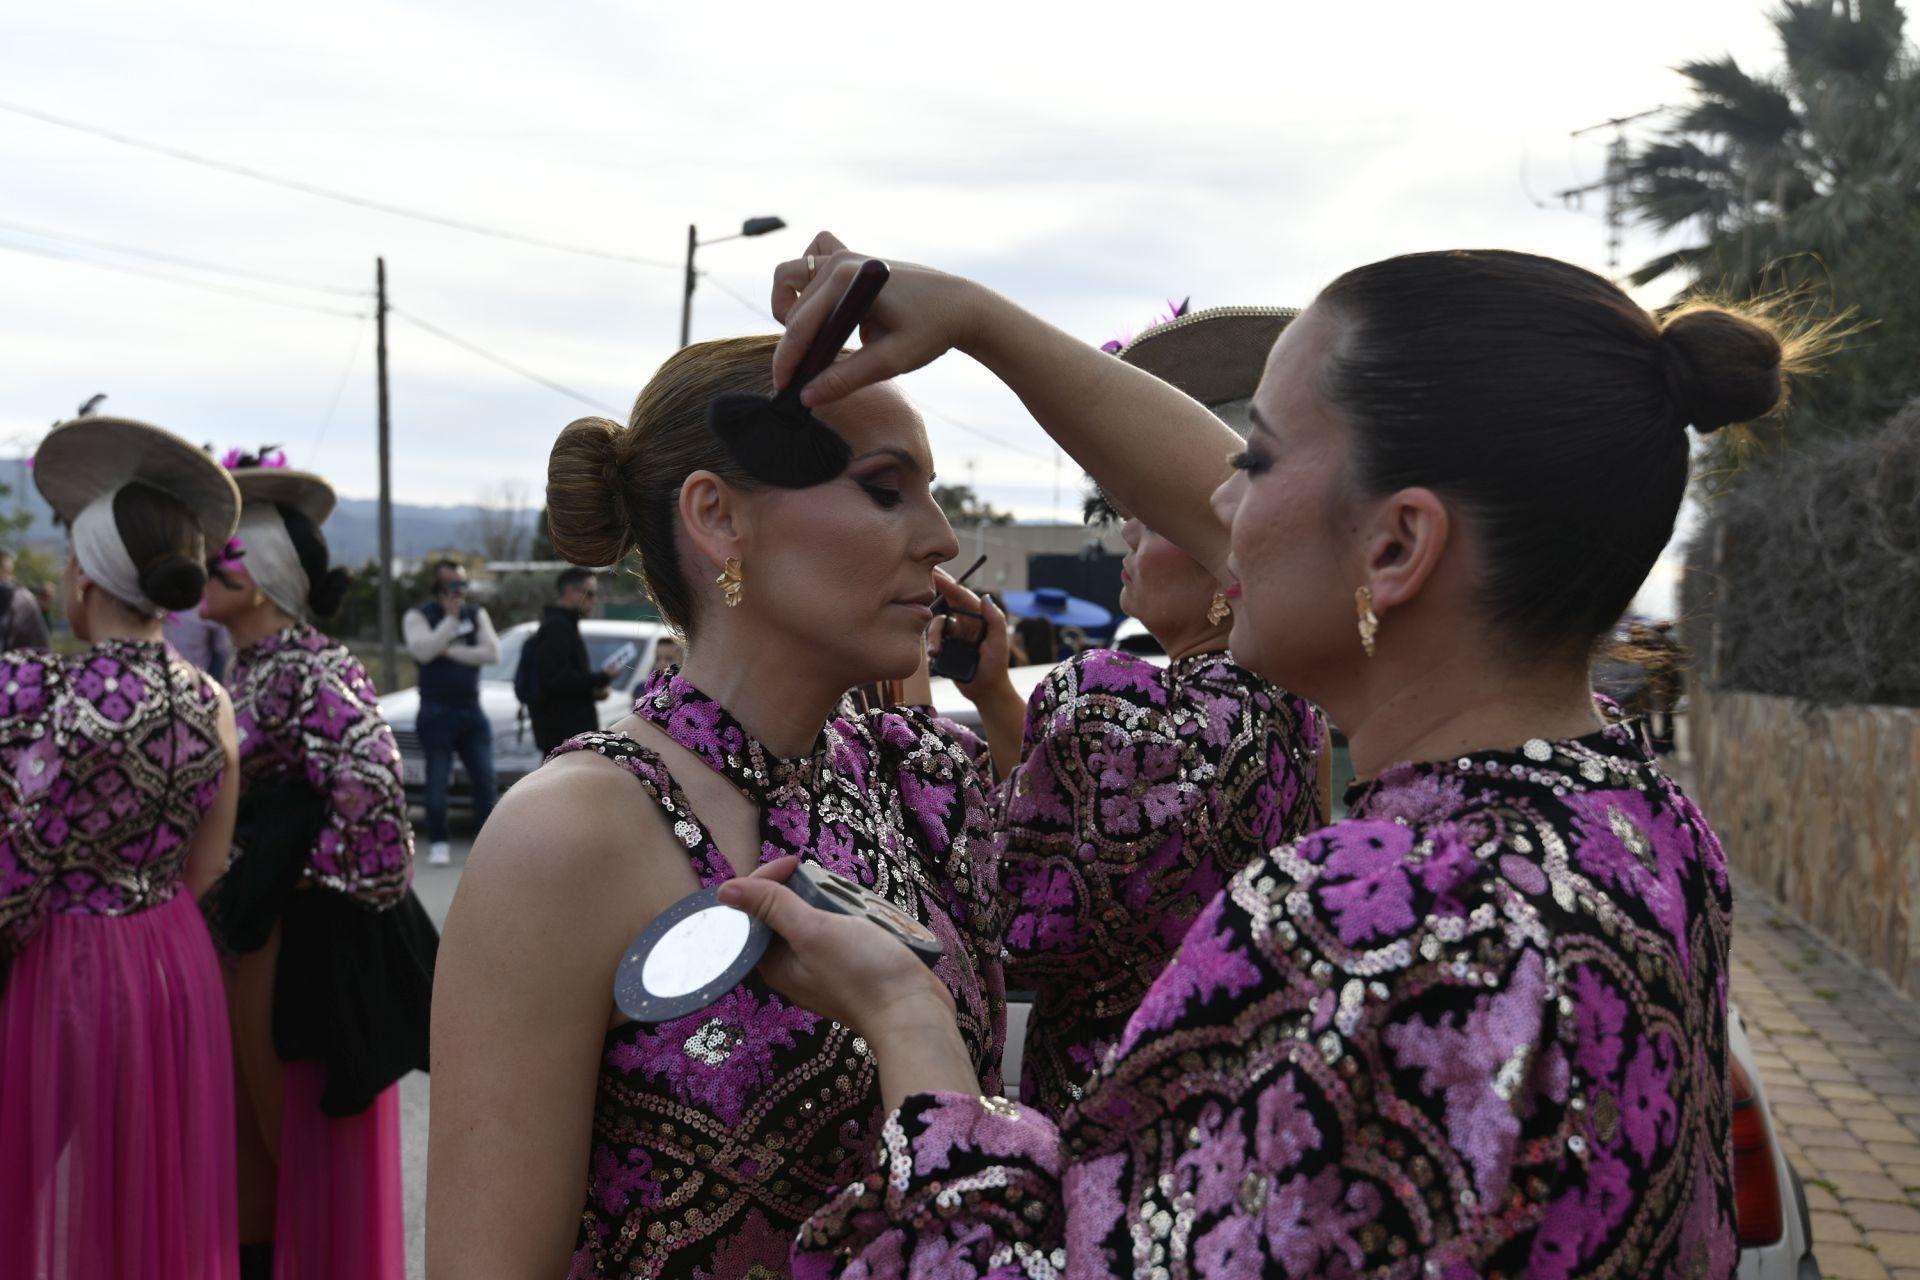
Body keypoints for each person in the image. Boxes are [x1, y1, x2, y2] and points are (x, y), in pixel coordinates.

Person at [721, 234, 1795, 1277]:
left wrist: (909, 1020)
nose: (1220, 504)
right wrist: (974, 319)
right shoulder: (1644, 826)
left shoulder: (1379, 922)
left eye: (1261, 458)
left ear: (1396, 546)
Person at [428, 335, 1008, 1279]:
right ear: (718, 518)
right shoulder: (568, 835)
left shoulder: (920, 780)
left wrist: (981, 318)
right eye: (885, 487)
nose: (942, 538)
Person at [936, 306, 1328, 1120]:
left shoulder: (1123, 708)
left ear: (1216, 540)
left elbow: (1012, 920)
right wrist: (997, 695)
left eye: (1147, 515)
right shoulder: (1293, 705)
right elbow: (1085, 824)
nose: (1122, 536)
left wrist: (899, 712)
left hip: (1120, 1119)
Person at [1, 417, 243, 1280]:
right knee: (150, 1189)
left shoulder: (33, 693)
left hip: (63, 958)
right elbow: (210, 864)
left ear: (82, 576)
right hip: (173, 956)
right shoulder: (212, 698)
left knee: (25, 1183)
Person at [200, 454, 436, 1280]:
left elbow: (374, 809)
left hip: (299, 942)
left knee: (292, 1142)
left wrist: (282, 870)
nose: (203, 569)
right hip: (258, 932)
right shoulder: (254, 666)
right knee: (256, 1145)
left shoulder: (314, 667)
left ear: (263, 580)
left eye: (223, 559)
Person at [404, 559, 500, 866]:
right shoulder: (419, 616)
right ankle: (439, 842)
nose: (458, 591)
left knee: (485, 776)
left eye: (462, 584)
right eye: (452, 585)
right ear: (437, 586)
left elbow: (492, 653)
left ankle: (485, 840)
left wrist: (450, 652)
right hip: (436, 710)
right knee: (437, 779)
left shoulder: (477, 613)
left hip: (470, 708)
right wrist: (448, 622)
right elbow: (423, 650)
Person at [525, 566, 623, 756]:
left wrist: (592, 691)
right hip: (562, 734)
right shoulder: (557, 627)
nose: (594, 600)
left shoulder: (564, 625)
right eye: (590, 593)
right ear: (570, 592)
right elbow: (555, 679)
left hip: (568, 734)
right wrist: (601, 677)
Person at [0, 547, 52, 652]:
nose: (11, 579)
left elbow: (39, 644)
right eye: (6, 572)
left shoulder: (19, 600)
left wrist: (44, 611)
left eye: (10, 573)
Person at [165, 605, 235, 681]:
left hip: (198, 677)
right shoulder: (166, 605)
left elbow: (223, 650)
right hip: (167, 671)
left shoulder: (210, 608)